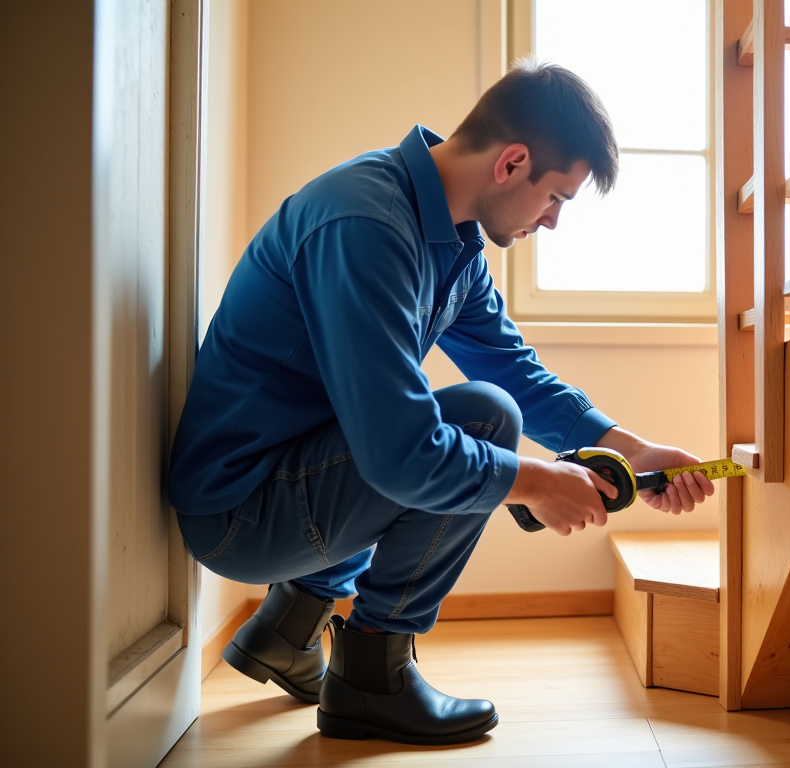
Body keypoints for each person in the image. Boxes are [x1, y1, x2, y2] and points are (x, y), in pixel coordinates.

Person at [166, 58, 714, 746]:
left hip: (287, 483)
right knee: (482, 421)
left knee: (485, 407)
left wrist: (632, 450)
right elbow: (399, 453)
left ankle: (288, 628)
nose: (552, 222)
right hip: (241, 511)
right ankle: (372, 678)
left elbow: (515, 370)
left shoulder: (449, 243)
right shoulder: (365, 224)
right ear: (512, 163)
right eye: (556, 198)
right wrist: (536, 483)